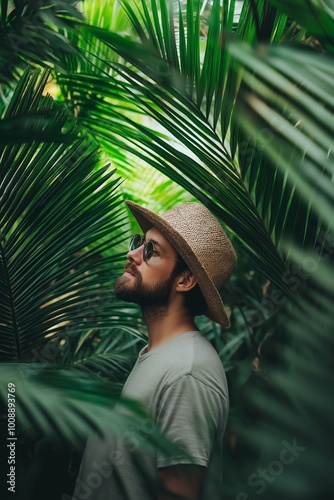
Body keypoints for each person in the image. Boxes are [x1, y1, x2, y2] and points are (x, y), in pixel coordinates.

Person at [73, 200, 236, 500]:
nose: (132, 255)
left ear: (185, 279)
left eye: (151, 251)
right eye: (139, 242)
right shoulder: (161, 354)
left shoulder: (188, 371)